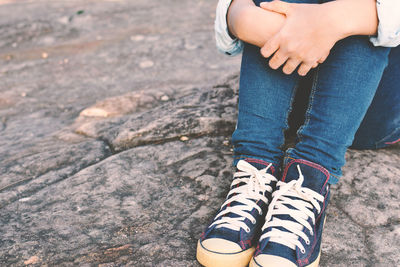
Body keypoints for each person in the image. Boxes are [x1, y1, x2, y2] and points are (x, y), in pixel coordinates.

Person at [196, 0, 400, 266]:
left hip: (373, 105)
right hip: (293, 81)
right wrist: (240, 15)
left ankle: (310, 177)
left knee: (375, 12)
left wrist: (334, 19)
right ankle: (256, 167)